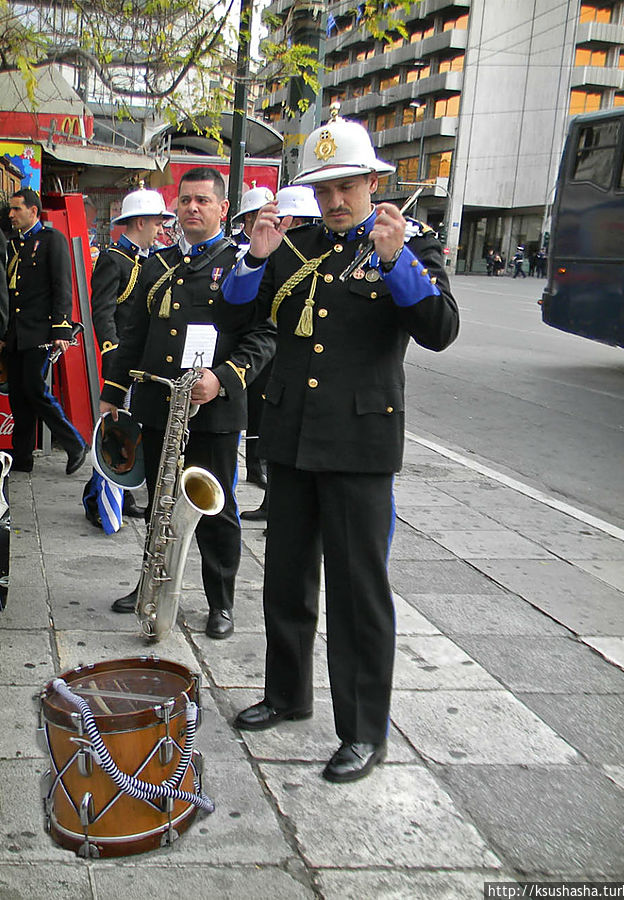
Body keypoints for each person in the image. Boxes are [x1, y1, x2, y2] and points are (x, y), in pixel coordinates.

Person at [221, 110, 460, 783]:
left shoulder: (405, 245)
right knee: (285, 578)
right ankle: (287, 694)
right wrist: (254, 256)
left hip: (359, 445)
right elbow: (236, 312)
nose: (333, 201)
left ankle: (363, 731)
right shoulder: (296, 248)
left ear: (373, 182)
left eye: (346, 187)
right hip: (291, 437)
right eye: (322, 190)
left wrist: (396, 262)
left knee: (358, 593)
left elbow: (441, 329)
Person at [99, 167, 276, 638]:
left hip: (213, 412)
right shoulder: (156, 264)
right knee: (159, 501)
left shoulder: (242, 263)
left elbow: (262, 336)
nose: (191, 208)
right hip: (159, 405)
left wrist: (222, 380)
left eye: (202, 200)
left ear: (223, 209)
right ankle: (149, 586)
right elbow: (133, 331)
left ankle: (220, 602)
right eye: (184, 201)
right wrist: (113, 393)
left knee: (216, 511)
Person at [82, 187, 175, 530]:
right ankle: (100, 499)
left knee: (130, 429)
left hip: (143, 362)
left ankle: (120, 491)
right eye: (155, 222)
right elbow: (103, 311)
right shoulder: (114, 259)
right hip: (123, 359)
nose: (160, 229)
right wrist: (112, 353)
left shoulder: (151, 261)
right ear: (139, 222)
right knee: (114, 430)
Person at [239, 184, 322, 525]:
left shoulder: (328, 256)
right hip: (270, 359)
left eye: (302, 222)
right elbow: (239, 313)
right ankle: (268, 492)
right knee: (264, 422)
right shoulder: (266, 254)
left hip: (302, 372)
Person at [2, 188, 88, 475]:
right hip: (15, 332)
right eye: (10, 210)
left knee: (36, 389)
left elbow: (62, 286)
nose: (11, 215)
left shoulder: (52, 241)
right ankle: (22, 456)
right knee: (18, 394)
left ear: (33, 212)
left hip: (40, 332)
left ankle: (74, 443)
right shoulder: (14, 244)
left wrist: (61, 329)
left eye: (16, 209)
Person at [230, 185, 275, 490]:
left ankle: (258, 468)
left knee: (264, 411)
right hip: (239, 345)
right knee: (238, 408)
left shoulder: (283, 254)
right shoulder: (233, 254)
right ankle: (245, 465)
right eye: (252, 219)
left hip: (272, 345)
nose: (258, 223)